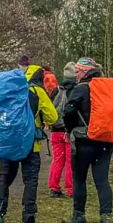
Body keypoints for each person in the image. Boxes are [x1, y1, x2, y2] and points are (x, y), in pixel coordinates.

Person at [0, 63, 59, 223]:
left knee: (5, 177)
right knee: (30, 180)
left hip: (9, 140)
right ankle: (28, 218)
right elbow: (53, 117)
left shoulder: (10, 90)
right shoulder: (37, 91)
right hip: (30, 144)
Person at [60, 57, 113, 223]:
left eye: (77, 71)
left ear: (85, 71)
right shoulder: (108, 88)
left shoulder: (82, 88)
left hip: (83, 139)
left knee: (79, 178)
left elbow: (68, 110)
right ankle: (106, 218)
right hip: (106, 140)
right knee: (102, 180)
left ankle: (79, 215)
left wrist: (68, 129)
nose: (75, 74)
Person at [46, 62, 77, 198]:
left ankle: (54, 187)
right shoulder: (77, 90)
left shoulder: (56, 90)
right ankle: (70, 189)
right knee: (71, 161)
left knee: (57, 160)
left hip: (55, 130)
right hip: (70, 131)